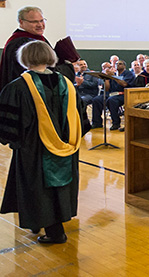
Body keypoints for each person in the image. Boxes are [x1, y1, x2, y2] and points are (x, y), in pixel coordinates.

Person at [0, 40, 90, 244]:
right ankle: (46, 223)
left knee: (38, 187)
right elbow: (81, 118)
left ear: (24, 59)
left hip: (34, 149)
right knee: (60, 186)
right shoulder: (67, 83)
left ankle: (54, 231)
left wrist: (13, 140)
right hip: (67, 148)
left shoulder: (18, 87)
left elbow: (8, 128)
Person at [90, 60, 134, 130]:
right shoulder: (113, 73)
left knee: (112, 100)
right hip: (111, 94)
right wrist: (107, 78)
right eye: (116, 64)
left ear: (124, 66)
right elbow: (107, 89)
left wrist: (113, 76)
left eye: (120, 64)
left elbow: (124, 84)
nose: (118, 65)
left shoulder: (128, 74)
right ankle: (96, 122)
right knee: (96, 100)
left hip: (123, 94)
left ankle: (116, 122)